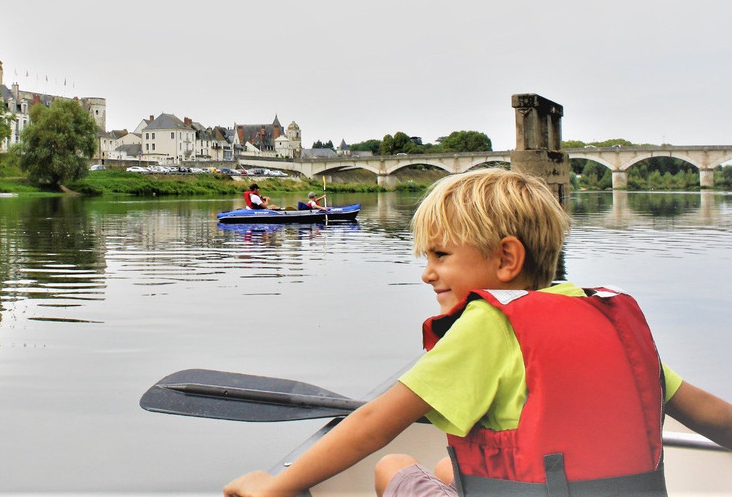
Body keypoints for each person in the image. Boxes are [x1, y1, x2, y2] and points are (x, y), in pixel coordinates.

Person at [223, 167, 732, 497]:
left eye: (441, 256)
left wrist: (275, 487)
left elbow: (378, 424)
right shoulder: (606, 321)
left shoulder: (488, 324)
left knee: (392, 464)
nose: (427, 273)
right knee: (446, 468)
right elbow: (709, 414)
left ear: (506, 258)